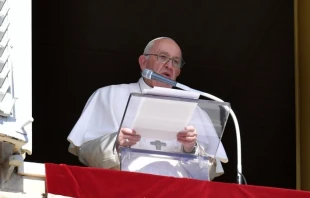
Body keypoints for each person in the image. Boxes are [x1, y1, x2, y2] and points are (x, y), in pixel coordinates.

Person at [67, 37, 228, 180]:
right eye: (163, 57)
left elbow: (209, 173)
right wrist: (115, 143)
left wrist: (191, 149)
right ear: (143, 62)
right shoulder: (108, 95)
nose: (169, 66)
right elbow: (84, 153)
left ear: (179, 71)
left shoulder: (197, 111)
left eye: (176, 61)